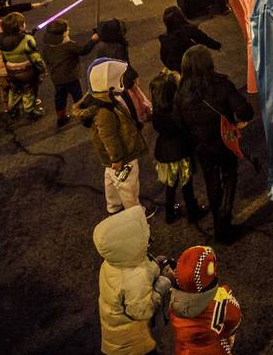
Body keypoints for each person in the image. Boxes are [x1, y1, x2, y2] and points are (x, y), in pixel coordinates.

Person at [175, 45, 252, 242]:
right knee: (229, 175)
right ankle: (224, 220)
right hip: (224, 142)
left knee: (211, 180)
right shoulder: (221, 85)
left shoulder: (181, 92)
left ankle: (219, 222)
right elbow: (244, 110)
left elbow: (179, 123)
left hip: (200, 145)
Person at [92, 207, 173, 355]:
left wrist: (155, 265)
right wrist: (162, 285)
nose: (148, 229)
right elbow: (142, 310)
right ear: (130, 243)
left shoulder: (114, 262)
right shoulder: (135, 276)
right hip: (134, 339)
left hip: (120, 334)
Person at [78, 57, 149, 215]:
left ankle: (113, 206)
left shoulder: (101, 100)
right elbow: (109, 136)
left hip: (110, 157)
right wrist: (116, 158)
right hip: (122, 154)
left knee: (111, 177)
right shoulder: (105, 110)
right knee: (128, 184)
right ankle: (135, 213)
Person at [169, 245, 242, 355]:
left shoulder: (173, 299)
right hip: (212, 354)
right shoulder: (221, 300)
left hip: (184, 350)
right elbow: (235, 319)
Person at [149, 63, 206, 225]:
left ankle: (170, 213)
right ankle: (193, 211)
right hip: (180, 152)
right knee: (186, 183)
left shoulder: (157, 111)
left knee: (171, 184)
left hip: (164, 151)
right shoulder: (177, 110)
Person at [40, 19, 97, 127]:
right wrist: (93, 40)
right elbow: (83, 50)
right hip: (71, 77)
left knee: (60, 97)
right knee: (79, 98)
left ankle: (61, 118)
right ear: (64, 33)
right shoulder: (69, 45)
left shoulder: (47, 47)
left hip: (56, 78)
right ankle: (84, 117)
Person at [0, 12, 46, 119]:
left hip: (11, 70)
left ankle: (12, 109)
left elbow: (12, 40)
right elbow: (35, 57)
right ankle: (30, 110)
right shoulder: (27, 39)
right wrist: (42, 69)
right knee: (29, 90)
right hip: (27, 71)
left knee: (14, 90)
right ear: (19, 26)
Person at [158, 5, 221, 72]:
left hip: (177, 67)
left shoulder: (165, 38)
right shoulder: (188, 30)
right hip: (192, 64)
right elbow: (203, 39)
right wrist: (217, 45)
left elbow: (163, 57)